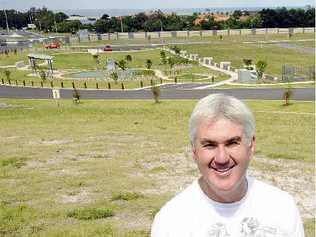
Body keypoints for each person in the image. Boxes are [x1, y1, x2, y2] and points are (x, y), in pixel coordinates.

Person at [151, 93, 304, 237]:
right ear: (194, 151)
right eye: (209, 145)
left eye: (232, 143)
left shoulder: (283, 208)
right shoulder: (170, 222)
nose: (222, 158)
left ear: (251, 145)